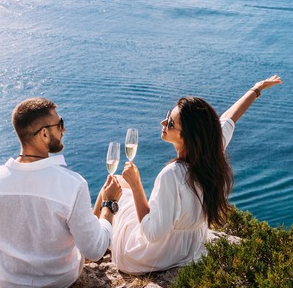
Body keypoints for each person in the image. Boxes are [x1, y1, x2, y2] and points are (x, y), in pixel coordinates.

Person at [109, 75, 283, 274]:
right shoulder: (212, 153)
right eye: (168, 115)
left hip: (151, 257)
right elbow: (229, 119)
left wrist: (136, 184)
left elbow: (151, 233)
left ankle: (92, 246)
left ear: (188, 137)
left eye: (171, 123)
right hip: (190, 251)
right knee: (122, 189)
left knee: (118, 188)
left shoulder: (171, 175)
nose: (162, 122)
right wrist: (256, 88)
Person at [0, 97, 122, 288]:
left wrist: (11, 248)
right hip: (59, 283)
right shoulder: (71, 184)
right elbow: (94, 250)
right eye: (60, 125)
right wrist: (108, 204)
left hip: (5, 284)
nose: (63, 130)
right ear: (44, 133)